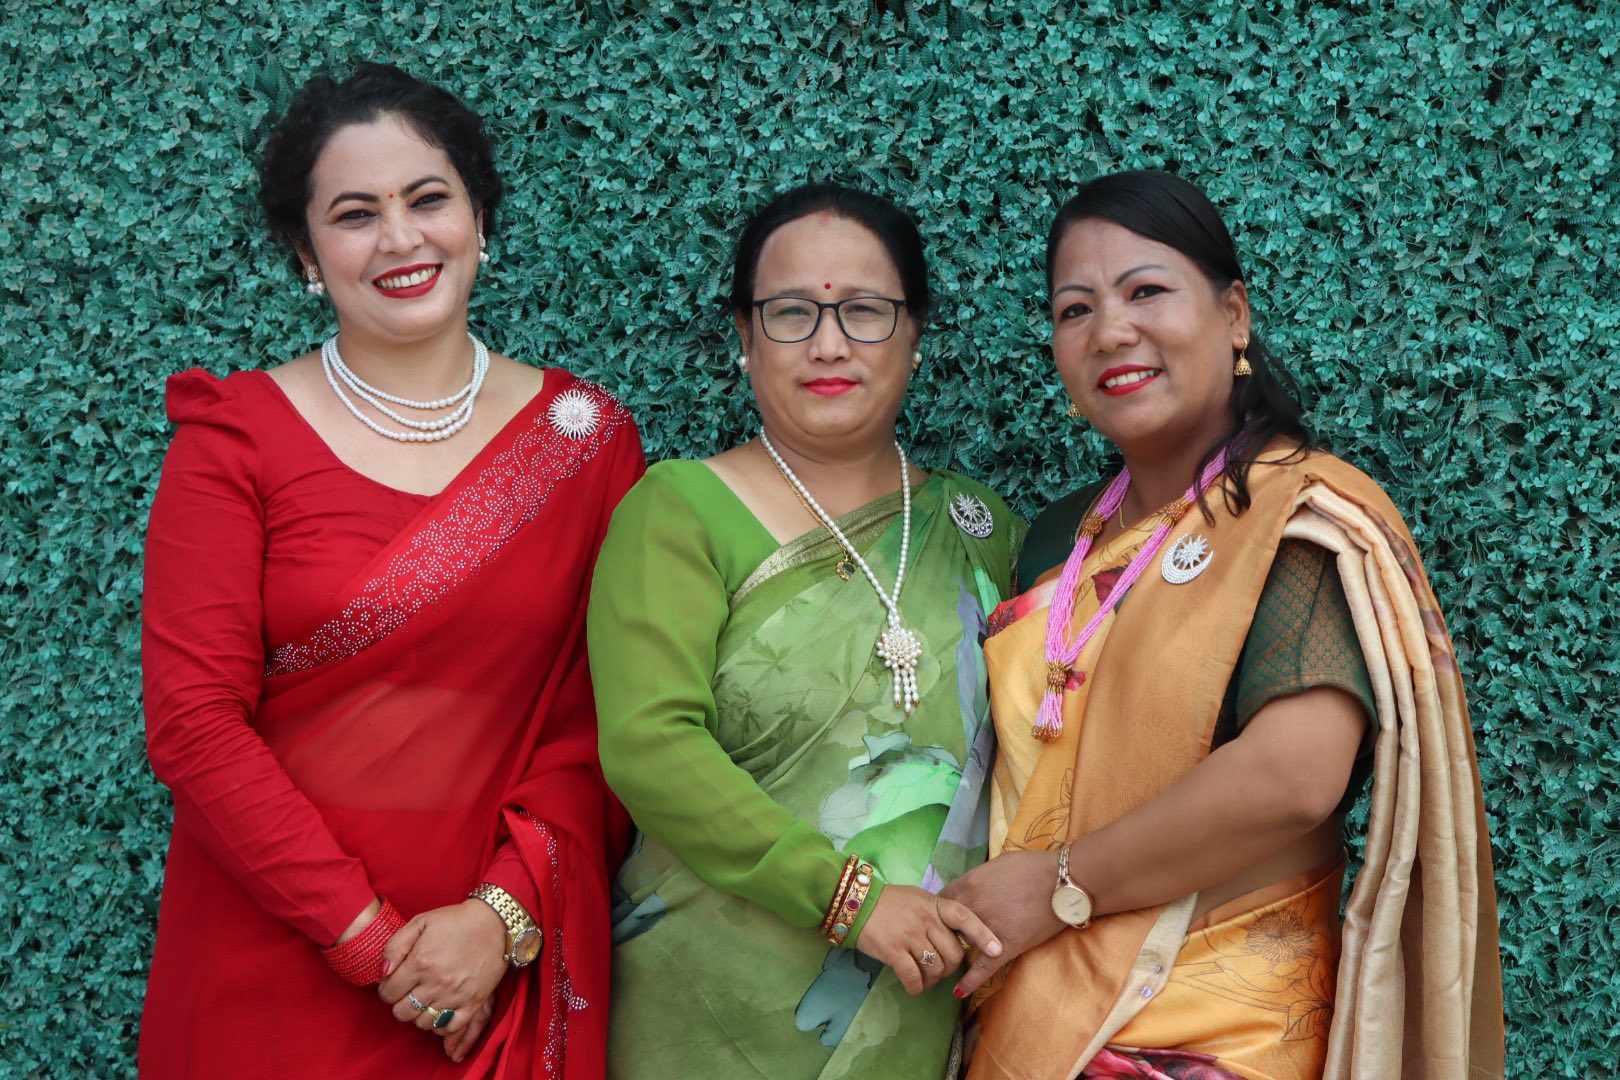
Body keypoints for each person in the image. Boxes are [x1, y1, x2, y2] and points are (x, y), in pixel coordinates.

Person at [139, 63, 642, 1077]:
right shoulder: (235, 438)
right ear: (306, 250)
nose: (401, 239)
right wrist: (372, 944)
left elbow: (606, 721)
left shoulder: (584, 442)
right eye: (356, 214)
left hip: (493, 975)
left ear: (479, 218)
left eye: (428, 199)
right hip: (269, 968)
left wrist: (498, 919)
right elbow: (195, 724)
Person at [948, 170, 1504, 1079]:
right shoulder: (1053, 538)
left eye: (1146, 291)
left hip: (1223, 1038)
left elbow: (1293, 776)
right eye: (1075, 309)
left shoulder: (1297, 518)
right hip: (1031, 1016)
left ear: (1235, 314)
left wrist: (1059, 887)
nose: (1110, 330)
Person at [589, 183, 1021, 1078]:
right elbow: (650, 747)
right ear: (745, 337)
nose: (828, 344)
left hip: (920, 1015)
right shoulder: (680, 512)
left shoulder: (984, 528)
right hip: (706, 1011)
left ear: (914, 332)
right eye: (791, 313)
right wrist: (850, 900)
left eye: (864, 310)